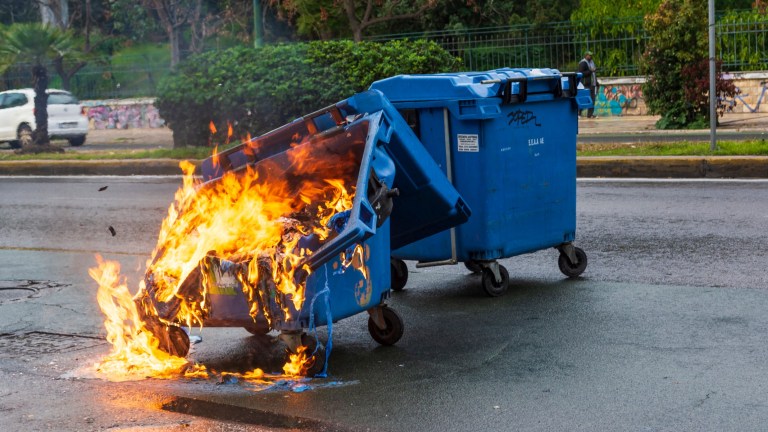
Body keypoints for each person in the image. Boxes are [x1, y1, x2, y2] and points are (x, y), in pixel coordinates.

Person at [578, 50, 599, 118]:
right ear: (586, 55)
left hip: (592, 84)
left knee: (592, 99)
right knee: (585, 99)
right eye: (589, 55)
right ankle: (579, 113)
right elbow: (581, 74)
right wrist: (590, 71)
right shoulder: (583, 63)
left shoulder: (592, 62)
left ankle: (590, 114)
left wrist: (596, 82)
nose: (590, 56)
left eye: (591, 55)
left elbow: (593, 74)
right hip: (585, 84)